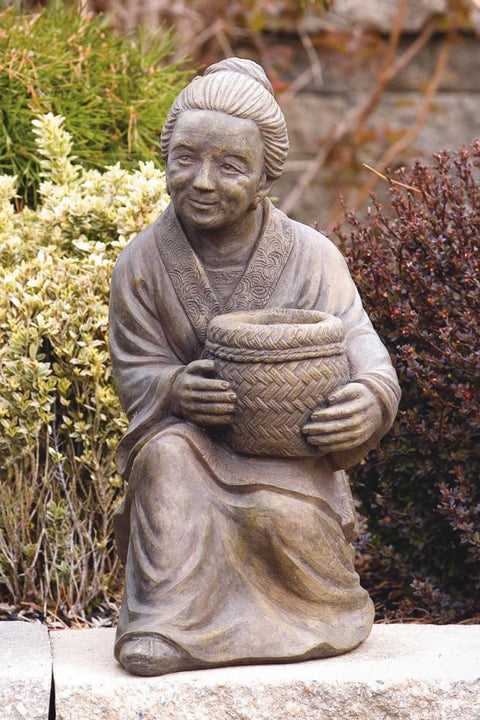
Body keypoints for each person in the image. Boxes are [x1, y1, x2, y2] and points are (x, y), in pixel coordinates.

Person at [109, 58, 401, 677]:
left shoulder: (312, 256)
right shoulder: (142, 263)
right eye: (185, 158)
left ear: (268, 175)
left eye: (231, 165)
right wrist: (174, 388)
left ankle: (319, 615)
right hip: (194, 446)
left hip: (289, 459)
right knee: (166, 461)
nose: (204, 181)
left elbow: (367, 356)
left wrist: (368, 402)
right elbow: (136, 366)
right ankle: (166, 623)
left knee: (279, 514)